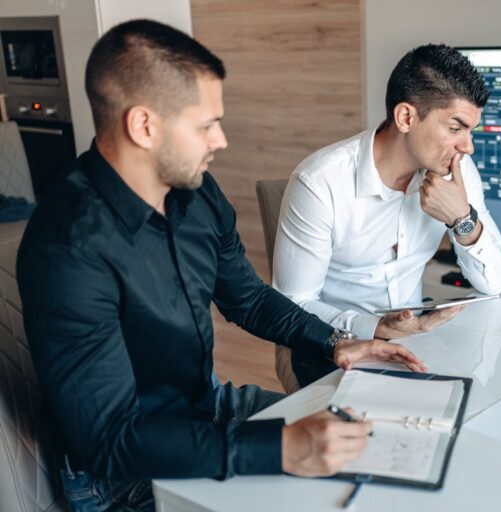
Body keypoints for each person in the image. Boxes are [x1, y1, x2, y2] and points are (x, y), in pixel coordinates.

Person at [16, 19, 426, 512]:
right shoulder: (67, 248)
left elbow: (247, 297)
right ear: (143, 125)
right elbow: (110, 440)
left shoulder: (196, 192)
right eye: (206, 124)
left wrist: (338, 342)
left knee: (375, 451)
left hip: (205, 406)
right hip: (120, 470)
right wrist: (281, 448)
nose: (221, 140)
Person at [273, 44, 501, 387]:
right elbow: (291, 304)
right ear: (406, 117)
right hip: (333, 344)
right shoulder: (320, 183)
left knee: (479, 398)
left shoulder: (456, 170)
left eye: (470, 131)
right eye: (456, 128)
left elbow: (494, 282)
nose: (467, 146)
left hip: (416, 339)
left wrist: (463, 218)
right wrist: (375, 328)